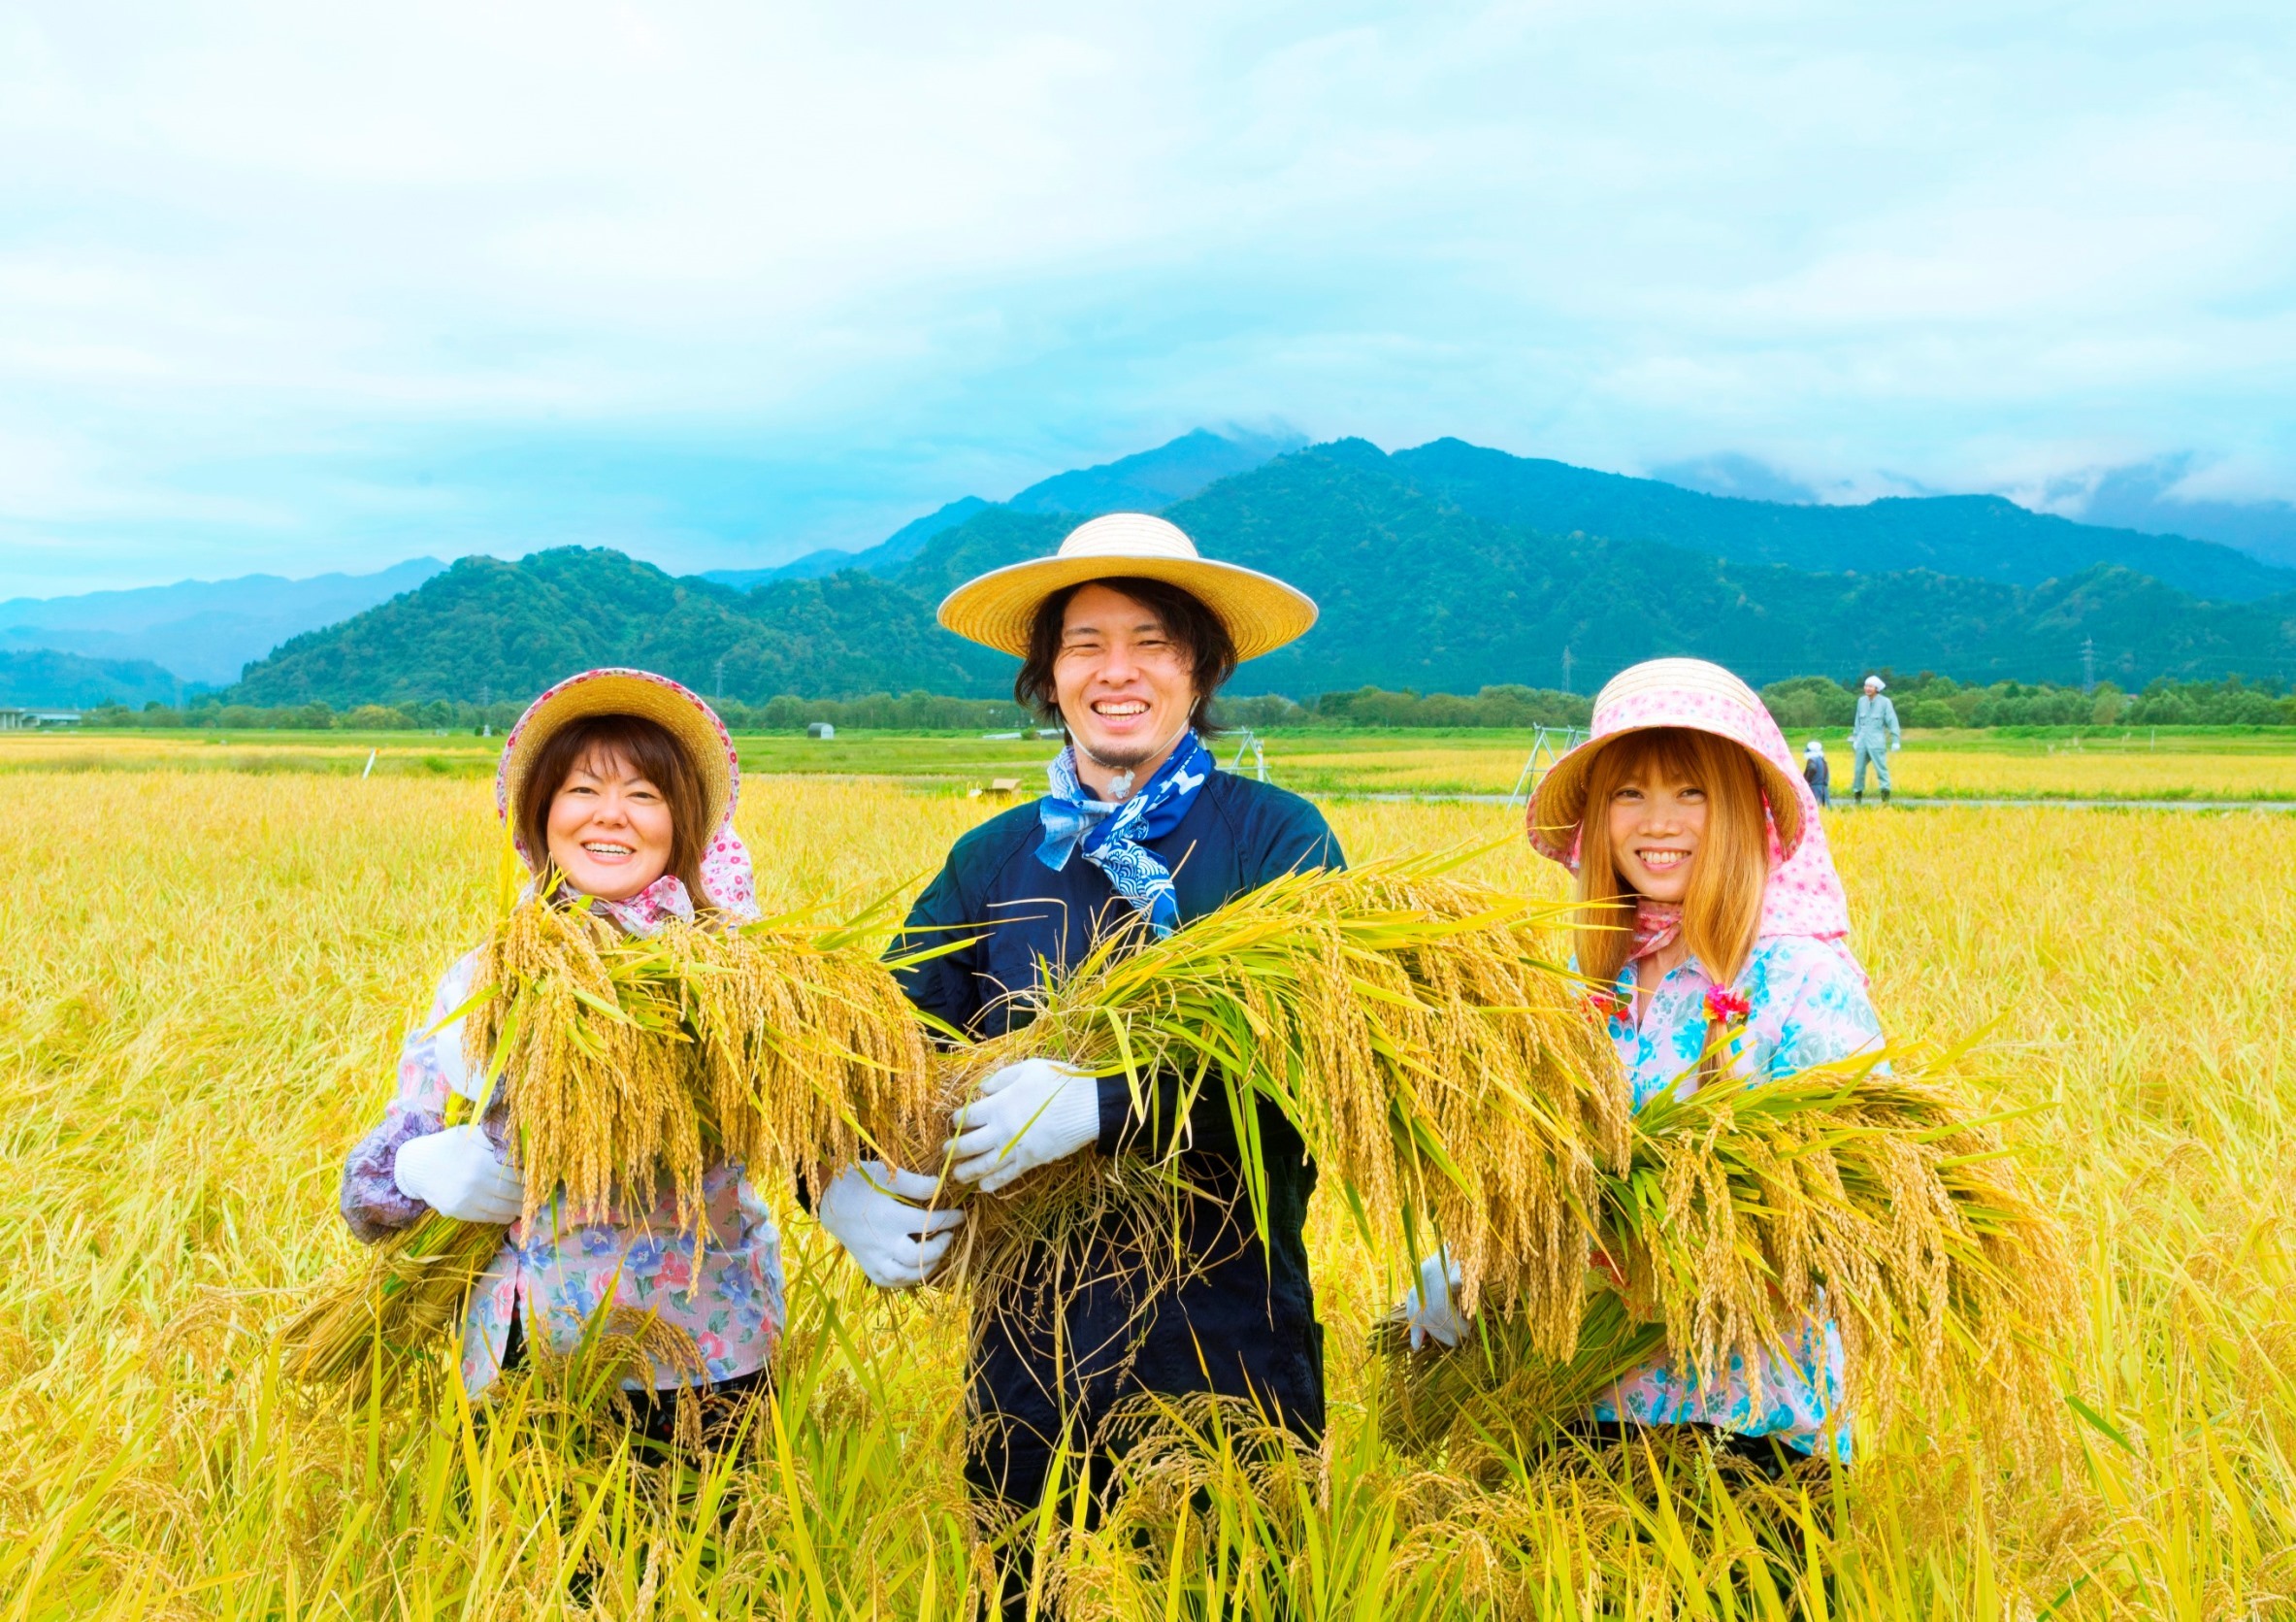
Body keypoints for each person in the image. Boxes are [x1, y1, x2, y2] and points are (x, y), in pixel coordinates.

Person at [813, 513, 1337, 1614]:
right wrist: (831, 1179)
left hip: (1228, 1340)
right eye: (1084, 643)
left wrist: (1105, 1104)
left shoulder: (1276, 841)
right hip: (1029, 1356)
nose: (1117, 672)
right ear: (1046, 678)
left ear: (1199, 669)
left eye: (1150, 641)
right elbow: (871, 1045)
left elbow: (1312, 1067)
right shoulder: (993, 860)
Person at [1402, 656, 1883, 1473]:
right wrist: (1472, 1263)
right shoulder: (1588, 982)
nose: (1657, 821)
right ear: (1599, 815)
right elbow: (1541, 1172)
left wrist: (1695, 1243)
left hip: (1755, 1433)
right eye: (1630, 792)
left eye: (1690, 790)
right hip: (1578, 1414)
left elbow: (1866, 1211)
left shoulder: (1801, 980)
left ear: (1737, 807)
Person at [338, 668, 782, 1451]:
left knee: (719, 1569)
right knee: (527, 1571)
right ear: (540, 816)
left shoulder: (740, 978)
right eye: (582, 789)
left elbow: (824, 1134)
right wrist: (419, 1168)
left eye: (645, 793)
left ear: (685, 824)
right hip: (526, 1356)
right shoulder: (481, 979)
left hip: (711, 1357)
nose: (611, 814)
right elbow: (375, 1190)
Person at [1850, 675, 1900, 804]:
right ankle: (1857, 799)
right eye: (1866, 686)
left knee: (1881, 769)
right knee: (1858, 769)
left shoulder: (1885, 702)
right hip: (1862, 740)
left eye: (1870, 686)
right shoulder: (1861, 701)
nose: (1867, 689)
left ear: (1877, 688)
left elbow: (1892, 720)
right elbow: (1857, 721)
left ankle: (1885, 799)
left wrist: (1895, 740)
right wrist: (1855, 738)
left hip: (1877, 740)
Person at [1803, 738, 1830, 808]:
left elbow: (1812, 768)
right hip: (1824, 789)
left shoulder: (1811, 760)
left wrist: (1806, 781)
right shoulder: (1822, 760)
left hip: (1815, 789)